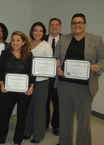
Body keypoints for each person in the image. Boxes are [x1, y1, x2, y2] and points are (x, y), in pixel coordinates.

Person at [55, 13, 104, 145]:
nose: (77, 25)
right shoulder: (64, 39)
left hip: (84, 87)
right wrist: (57, 68)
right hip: (64, 84)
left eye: (80, 22)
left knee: (84, 120)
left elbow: (102, 59)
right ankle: (64, 142)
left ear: (85, 24)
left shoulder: (96, 39)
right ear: (71, 25)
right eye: (74, 23)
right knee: (65, 117)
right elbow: (56, 59)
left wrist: (98, 67)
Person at [0, 31, 35, 145]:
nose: (15, 43)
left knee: (22, 116)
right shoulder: (4, 54)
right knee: (4, 115)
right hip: (8, 90)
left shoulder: (29, 55)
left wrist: (32, 86)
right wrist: (1, 84)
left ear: (23, 42)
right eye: (13, 40)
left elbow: (32, 72)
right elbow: (0, 71)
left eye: (18, 40)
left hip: (24, 91)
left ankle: (17, 141)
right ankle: (0, 139)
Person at [24, 22, 53, 143]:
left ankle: (38, 135)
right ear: (31, 31)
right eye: (35, 30)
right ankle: (27, 131)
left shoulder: (46, 46)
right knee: (28, 107)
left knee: (39, 109)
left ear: (44, 33)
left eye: (40, 31)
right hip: (27, 81)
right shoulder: (27, 44)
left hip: (41, 82)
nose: (38, 33)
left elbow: (49, 66)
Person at [44, 18, 62, 135]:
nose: (54, 27)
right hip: (44, 77)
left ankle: (56, 125)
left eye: (56, 25)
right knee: (44, 102)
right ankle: (44, 124)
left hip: (59, 77)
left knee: (57, 102)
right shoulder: (42, 39)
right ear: (49, 27)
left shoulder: (66, 39)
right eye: (51, 25)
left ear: (60, 27)